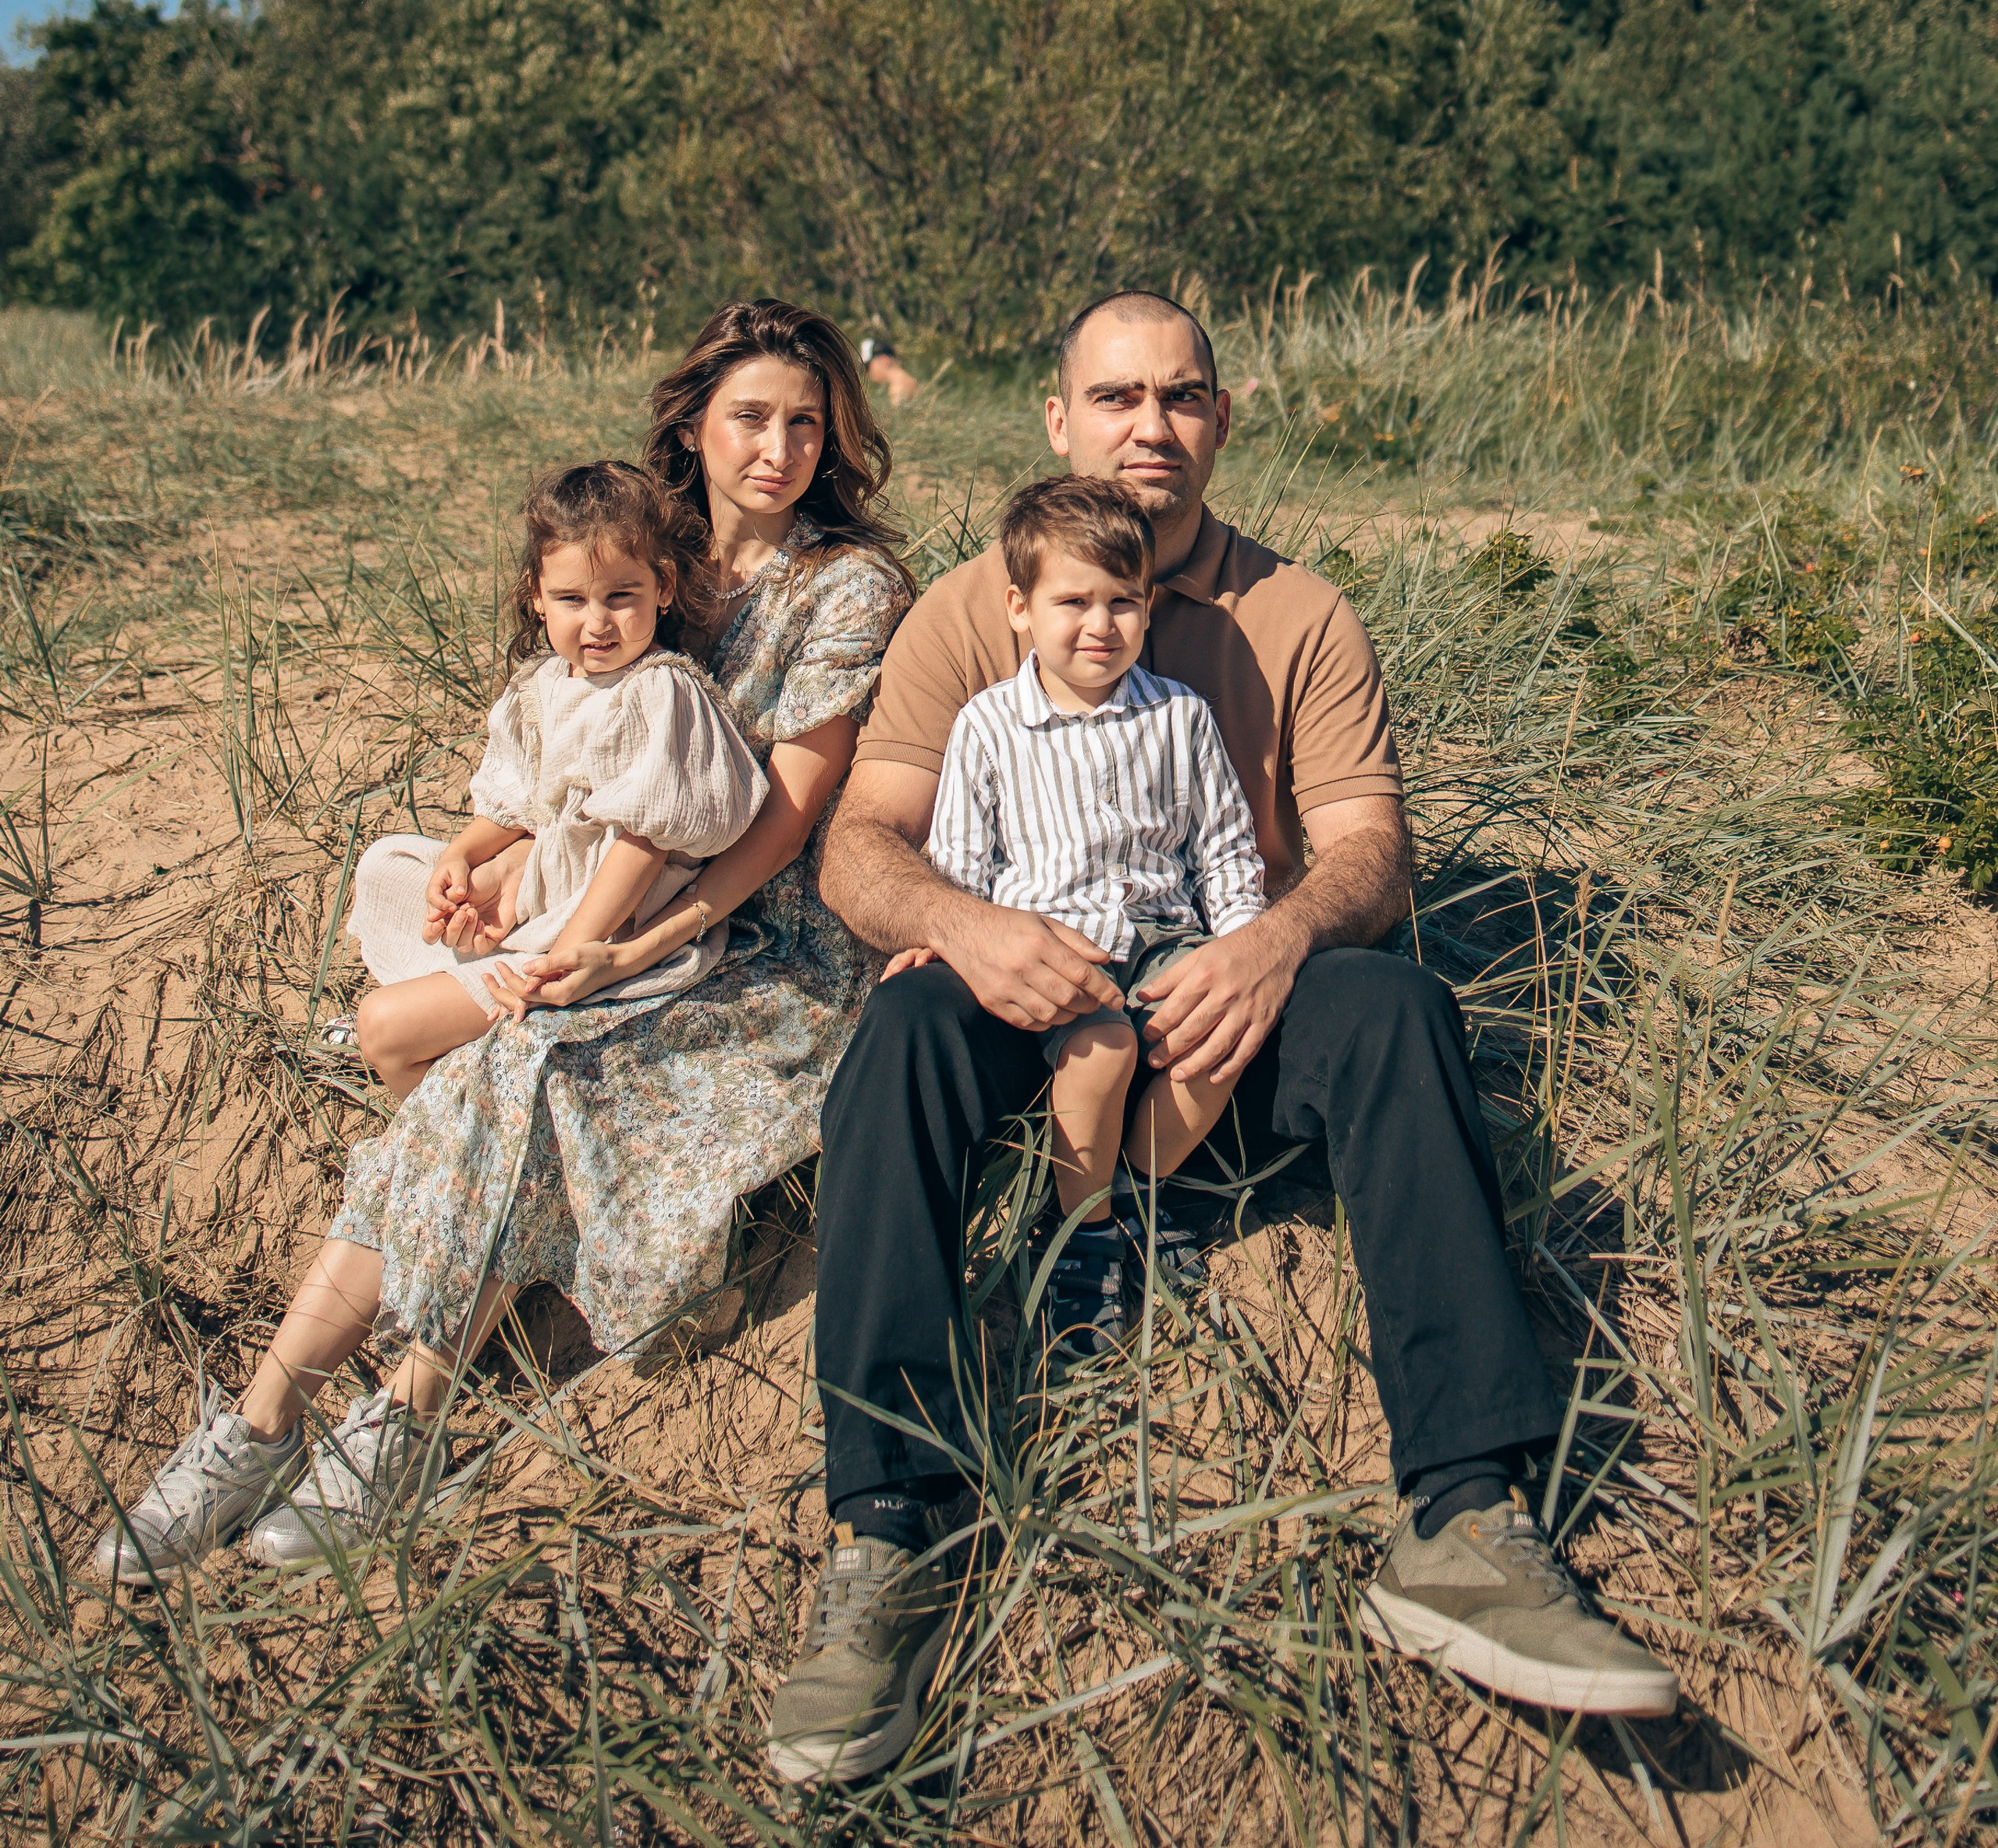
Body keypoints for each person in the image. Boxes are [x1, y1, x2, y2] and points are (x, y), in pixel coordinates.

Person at [766, 289, 1676, 1789]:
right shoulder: (965, 613)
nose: (1151, 426)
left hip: (1220, 1001)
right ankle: (890, 1531)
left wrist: (1278, 940)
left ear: (1221, 422)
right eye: (1116, 398)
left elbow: (1371, 846)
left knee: (1393, 1007)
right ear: (1058, 420)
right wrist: (970, 926)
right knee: (907, 1034)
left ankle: (1463, 1517)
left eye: (1181, 397)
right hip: (1026, 1009)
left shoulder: (1297, 615)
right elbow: (863, 843)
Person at [94, 298, 911, 1587]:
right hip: (604, 916)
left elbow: (784, 820)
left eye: (808, 421)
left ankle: (393, 1411)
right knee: (487, 1051)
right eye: (751, 416)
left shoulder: (846, 585)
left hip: (757, 951)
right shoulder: (649, 548)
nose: (782, 446)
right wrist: (510, 866)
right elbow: (567, 763)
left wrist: (642, 949)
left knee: (512, 1068)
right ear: (693, 425)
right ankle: (261, 1423)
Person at [884, 473, 1263, 1369]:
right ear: (1019, 608)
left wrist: (1242, 945)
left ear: (1148, 606)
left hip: (1167, 936)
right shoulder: (988, 725)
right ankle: (1082, 1228)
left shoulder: (1179, 716)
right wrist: (940, 941)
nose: (1101, 624)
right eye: (1073, 602)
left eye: (1123, 602)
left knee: (1208, 1047)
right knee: (1106, 1052)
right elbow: (961, 860)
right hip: (1053, 950)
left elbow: (1223, 846)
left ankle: (1143, 1192)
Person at [343, 458, 766, 1098]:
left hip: (608, 926)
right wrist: (463, 856)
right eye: (572, 599)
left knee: (382, 1026)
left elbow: (643, 846)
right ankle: (463, 1033)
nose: (597, 623)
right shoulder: (543, 685)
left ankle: (439, 1123)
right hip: (546, 891)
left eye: (620, 596)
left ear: (664, 587)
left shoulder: (659, 691)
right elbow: (516, 806)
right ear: (537, 597)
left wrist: (564, 955)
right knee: (387, 863)